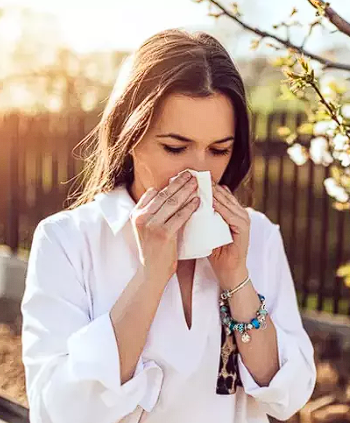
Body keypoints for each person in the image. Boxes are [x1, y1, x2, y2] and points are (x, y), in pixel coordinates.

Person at [20, 29, 316, 423]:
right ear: (130, 135)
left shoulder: (256, 236)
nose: (199, 171)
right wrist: (149, 277)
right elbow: (58, 411)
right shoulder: (68, 241)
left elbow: (288, 395)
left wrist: (237, 280)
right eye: (175, 148)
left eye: (219, 150)